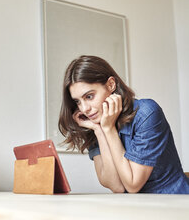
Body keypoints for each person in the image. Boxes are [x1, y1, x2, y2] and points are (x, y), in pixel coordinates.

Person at [58, 55, 189, 194]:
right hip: (139, 209)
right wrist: (99, 130)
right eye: (78, 101)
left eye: (89, 96)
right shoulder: (95, 123)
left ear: (111, 85)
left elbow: (132, 185)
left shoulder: (146, 114)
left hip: (175, 203)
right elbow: (117, 186)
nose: (84, 109)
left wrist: (109, 129)